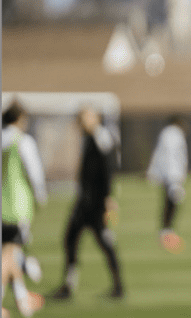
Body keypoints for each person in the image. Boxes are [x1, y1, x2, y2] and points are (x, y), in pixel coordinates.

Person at [49, 107, 125, 300]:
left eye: (84, 118)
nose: (81, 122)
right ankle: (68, 285)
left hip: (96, 203)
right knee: (70, 240)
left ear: (95, 118)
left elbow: (108, 170)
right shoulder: (88, 138)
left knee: (104, 242)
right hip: (85, 201)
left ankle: (118, 287)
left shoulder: (102, 138)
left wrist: (108, 198)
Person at [2, 101, 47, 316]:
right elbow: (34, 171)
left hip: (2, 205)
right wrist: (40, 195)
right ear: (20, 119)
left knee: (10, 253)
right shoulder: (22, 141)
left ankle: (22, 299)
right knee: (9, 254)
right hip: (16, 206)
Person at [146, 115, 189, 254]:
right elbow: (171, 155)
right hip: (172, 175)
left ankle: (166, 232)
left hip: (170, 175)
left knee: (170, 202)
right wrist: (174, 177)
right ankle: (166, 233)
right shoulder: (173, 134)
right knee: (172, 203)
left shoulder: (168, 133)